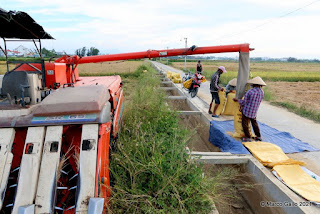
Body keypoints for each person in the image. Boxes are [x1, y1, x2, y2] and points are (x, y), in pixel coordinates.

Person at [233, 76, 266, 142]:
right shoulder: (262, 92)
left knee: (245, 124)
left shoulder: (250, 91)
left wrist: (237, 100)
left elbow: (244, 102)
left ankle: (247, 137)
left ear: (254, 84)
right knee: (254, 123)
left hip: (247, 110)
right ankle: (258, 136)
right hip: (254, 111)